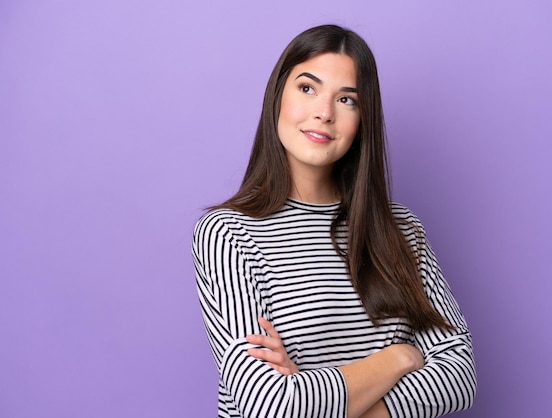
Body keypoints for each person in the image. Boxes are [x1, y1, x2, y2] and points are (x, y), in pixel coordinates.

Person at [192, 24, 476, 418]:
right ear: (277, 96)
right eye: (307, 88)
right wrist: (397, 358)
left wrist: (314, 396)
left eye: (347, 100)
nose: (324, 113)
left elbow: (459, 375)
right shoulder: (229, 233)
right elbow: (268, 406)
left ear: (362, 121)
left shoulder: (402, 231)